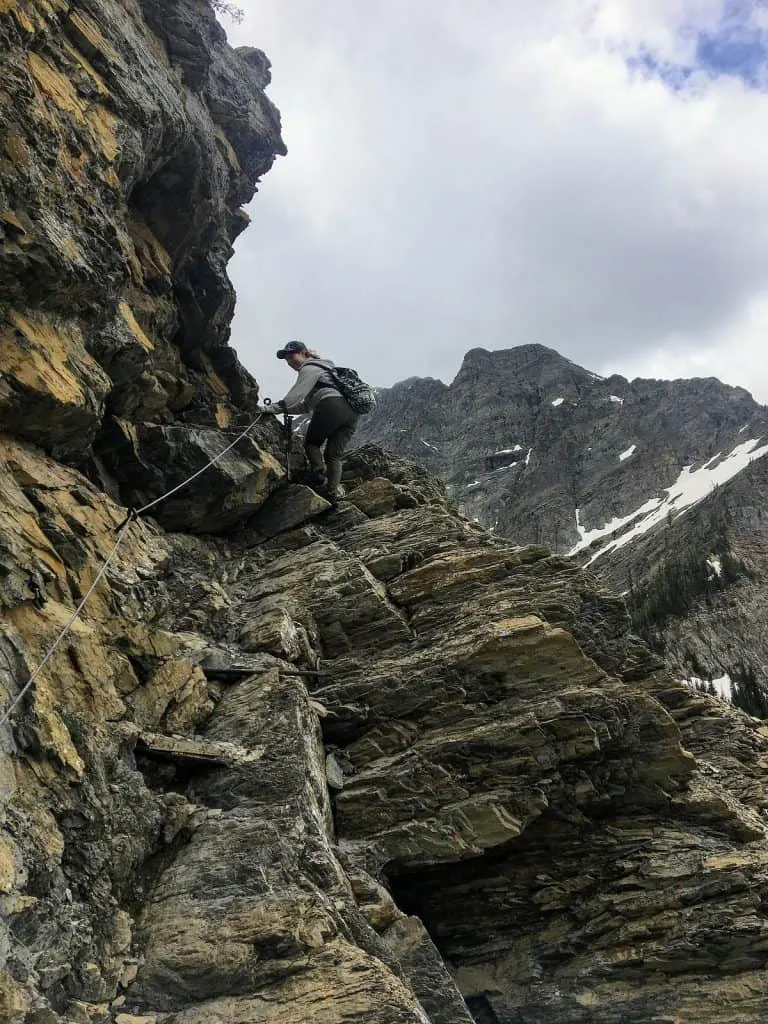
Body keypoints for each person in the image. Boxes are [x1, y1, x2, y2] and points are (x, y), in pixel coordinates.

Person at [264, 340, 358, 502]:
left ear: (304, 353)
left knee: (312, 444)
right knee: (333, 455)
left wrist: (272, 408)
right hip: (351, 413)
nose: (289, 362)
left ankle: (318, 475)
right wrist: (285, 410)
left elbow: (296, 395)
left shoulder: (309, 367)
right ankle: (332, 493)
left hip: (331, 405)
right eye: (286, 359)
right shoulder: (326, 370)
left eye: (291, 356)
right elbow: (305, 406)